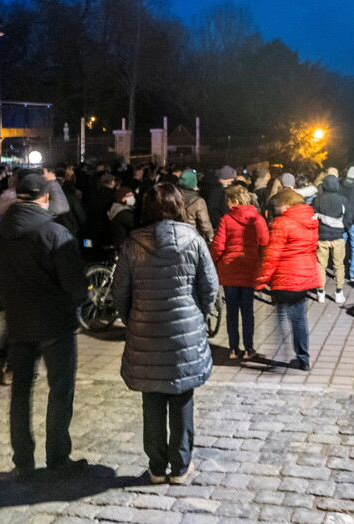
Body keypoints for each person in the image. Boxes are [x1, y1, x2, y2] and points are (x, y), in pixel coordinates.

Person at [0, 173, 90, 479]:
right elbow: (75, 286)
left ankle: (23, 461)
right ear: (44, 197)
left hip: (18, 325)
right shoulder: (55, 233)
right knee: (60, 392)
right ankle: (57, 458)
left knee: (20, 393)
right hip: (55, 326)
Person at [112, 183, 217, 484]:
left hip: (146, 329)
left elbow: (120, 291)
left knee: (152, 400)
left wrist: (132, 319)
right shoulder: (193, 239)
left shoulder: (133, 244)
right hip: (185, 332)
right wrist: (197, 315)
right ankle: (181, 467)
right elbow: (209, 286)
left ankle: (157, 467)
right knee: (182, 399)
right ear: (178, 206)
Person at [255, 189, 320, 371]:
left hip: (285, 278)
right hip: (305, 276)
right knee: (299, 319)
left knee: (279, 317)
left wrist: (261, 279)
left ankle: (280, 354)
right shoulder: (310, 221)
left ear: (286, 204)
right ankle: (303, 358)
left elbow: (271, 255)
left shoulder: (282, 223)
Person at [211, 185, 269, 359]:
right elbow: (265, 241)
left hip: (230, 270)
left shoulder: (226, 220)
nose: (227, 205)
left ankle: (233, 349)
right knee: (247, 311)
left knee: (232, 311)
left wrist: (215, 261)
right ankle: (249, 349)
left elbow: (218, 246)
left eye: (228, 201)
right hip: (249, 267)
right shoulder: (258, 219)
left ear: (235, 200)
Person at [313, 174, 349, 304]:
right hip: (338, 236)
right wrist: (344, 229)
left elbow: (314, 217)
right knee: (339, 265)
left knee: (320, 266)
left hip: (322, 236)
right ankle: (339, 292)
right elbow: (348, 218)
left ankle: (320, 292)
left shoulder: (317, 200)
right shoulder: (343, 199)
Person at [177, 170, 215, 242]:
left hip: (174, 234)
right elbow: (205, 223)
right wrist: (211, 236)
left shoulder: (172, 196)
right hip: (192, 236)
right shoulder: (199, 201)